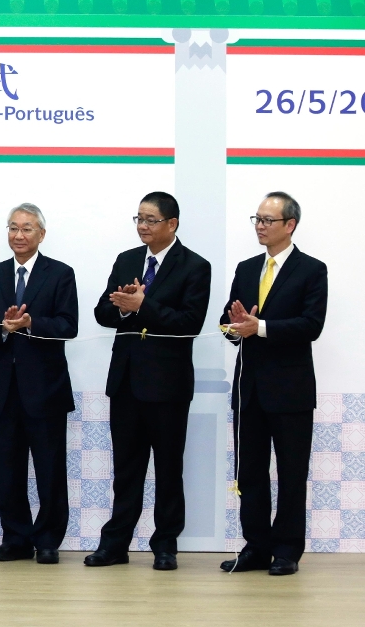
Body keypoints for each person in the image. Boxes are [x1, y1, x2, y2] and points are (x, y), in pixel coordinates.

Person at [87, 192, 210, 571]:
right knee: (126, 469)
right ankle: (115, 544)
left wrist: (144, 306)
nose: (142, 226)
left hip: (168, 385)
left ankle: (165, 544)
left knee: (169, 468)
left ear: (171, 224)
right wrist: (121, 305)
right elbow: (102, 313)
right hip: (125, 381)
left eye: (150, 220)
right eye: (138, 218)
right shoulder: (127, 260)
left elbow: (190, 324)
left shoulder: (194, 266)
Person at [219, 192, 327, 576]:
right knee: (249, 472)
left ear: (290, 225)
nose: (260, 226)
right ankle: (256, 547)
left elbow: (311, 326)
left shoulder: (312, 270)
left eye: (268, 220)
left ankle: (287, 550)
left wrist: (259, 327)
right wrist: (233, 326)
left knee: (291, 473)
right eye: (257, 219)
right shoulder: (248, 268)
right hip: (249, 389)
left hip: (291, 390)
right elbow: (227, 323)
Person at [0, 203, 78, 565]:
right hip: (4, 390)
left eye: (27, 229)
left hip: (46, 390)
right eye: (13, 228)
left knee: (50, 470)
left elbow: (68, 326)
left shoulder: (61, 274)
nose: (19, 235)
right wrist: (2, 327)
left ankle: (48, 540)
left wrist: (31, 324)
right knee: (8, 469)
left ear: (41, 234)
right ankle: (15, 538)